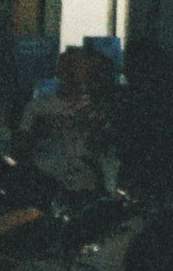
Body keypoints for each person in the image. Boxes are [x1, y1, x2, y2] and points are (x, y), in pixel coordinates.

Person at [16, 46, 119, 195]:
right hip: (48, 182)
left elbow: (108, 147)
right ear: (59, 71)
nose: (73, 73)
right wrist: (41, 131)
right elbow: (21, 146)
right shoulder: (38, 107)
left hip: (87, 183)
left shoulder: (96, 108)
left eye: (78, 67)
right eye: (68, 67)